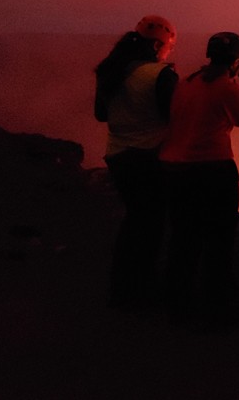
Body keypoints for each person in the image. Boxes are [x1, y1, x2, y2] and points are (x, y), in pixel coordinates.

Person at [159, 31, 239, 327]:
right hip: (210, 169)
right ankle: (215, 305)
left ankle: (176, 304)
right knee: (218, 239)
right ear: (237, 61)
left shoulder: (187, 83)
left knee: (184, 238)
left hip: (175, 169)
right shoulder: (225, 89)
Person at [93, 15, 178, 309]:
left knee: (134, 221)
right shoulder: (160, 75)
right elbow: (177, 118)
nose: (168, 53)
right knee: (152, 225)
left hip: (118, 157)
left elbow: (102, 115)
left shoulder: (111, 71)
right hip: (150, 159)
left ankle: (121, 288)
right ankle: (141, 293)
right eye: (168, 47)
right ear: (157, 44)